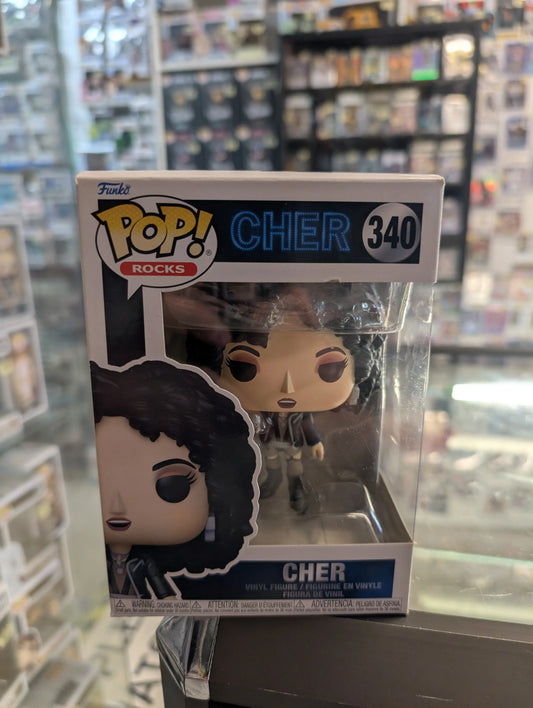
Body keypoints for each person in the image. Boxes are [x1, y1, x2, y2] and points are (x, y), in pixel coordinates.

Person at [166, 283, 384, 514]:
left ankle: (296, 487)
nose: (287, 389)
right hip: (268, 441)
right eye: (245, 367)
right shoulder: (257, 407)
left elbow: (307, 425)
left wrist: (315, 442)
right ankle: (272, 480)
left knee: (294, 465)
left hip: (292, 444)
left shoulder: (299, 414)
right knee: (270, 462)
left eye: (328, 368)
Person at [90, 359, 258, 599]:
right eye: (93, 485)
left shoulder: (143, 562)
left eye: (171, 486)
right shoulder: (86, 562)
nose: (118, 507)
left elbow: (166, 596)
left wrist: (170, 604)